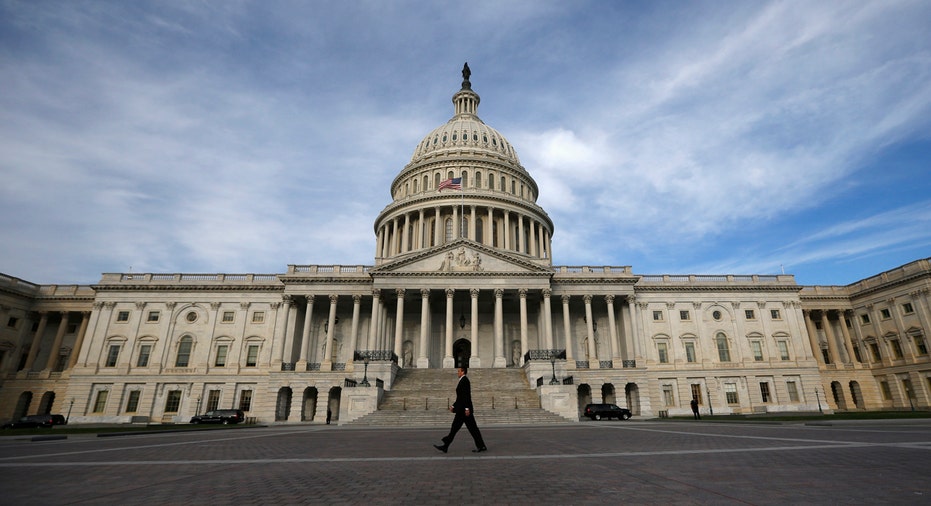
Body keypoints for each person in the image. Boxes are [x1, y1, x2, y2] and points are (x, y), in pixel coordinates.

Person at [434, 367, 487, 453]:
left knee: (463, 428)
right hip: (462, 410)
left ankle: (446, 443)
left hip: (463, 411)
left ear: (463, 372)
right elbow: (460, 397)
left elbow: (466, 396)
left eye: (459, 371)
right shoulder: (462, 380)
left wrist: (467, 408)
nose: (457, 373)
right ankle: (446, 445)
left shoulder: (465, 381)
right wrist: (453, 406)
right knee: (465, 428)